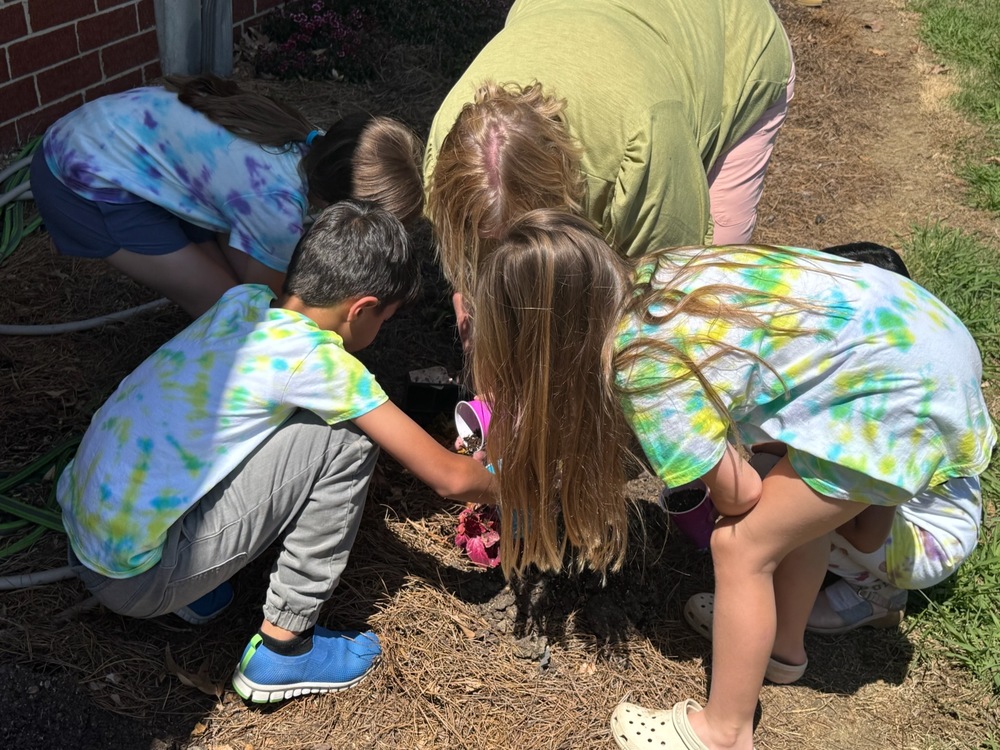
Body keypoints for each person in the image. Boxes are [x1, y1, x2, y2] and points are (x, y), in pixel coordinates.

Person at [463, 209, 995, 749]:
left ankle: (724, 731)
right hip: (920, 333)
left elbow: (741, 495)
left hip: (899, 401)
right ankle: (782, 650)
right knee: (787, 516)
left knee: (741, 545)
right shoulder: (655, 274)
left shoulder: (641, 367)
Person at [57, 200, 495, 704]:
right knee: (346, 437)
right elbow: (449, 478)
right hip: (134, 578)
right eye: (386, 320)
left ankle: (197, 593)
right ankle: (282, 652)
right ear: (361, 309)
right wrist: (514, 487)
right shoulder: (319, 362)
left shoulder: (243, 304)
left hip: (87, 531)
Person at [423, 0, 795, 343]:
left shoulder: (644, 143)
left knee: (700, 299)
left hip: (731, 39)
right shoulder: (443, 150)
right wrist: (474, 305)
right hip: (597, 29)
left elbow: (668, 279)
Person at [682, 241, 980, 638]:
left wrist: (790, 511)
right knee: (782, 476)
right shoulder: (908, 370)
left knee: (788, 505)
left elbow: (868, 531)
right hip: (939, 518)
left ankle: (875, 592)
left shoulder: (881, 421)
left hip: (927, 545)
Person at [30, 75, 424, 318]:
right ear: (344, 209)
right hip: (78, 181)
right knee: (232, 310)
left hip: (94, 137)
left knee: (239, 285)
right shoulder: (274, 207)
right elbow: (280, 311)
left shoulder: (305, 140)